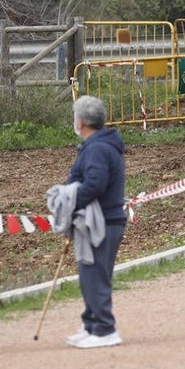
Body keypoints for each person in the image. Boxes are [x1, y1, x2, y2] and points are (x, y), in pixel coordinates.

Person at [64, 95, 127, 349]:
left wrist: (68, 201)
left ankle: (104, 329)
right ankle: (91, 323)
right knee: (90, 274)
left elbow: (94, 184)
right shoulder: (99, 145)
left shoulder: (98, 148)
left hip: (102, 220)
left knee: (95, 274)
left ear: (81, 122)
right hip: (100, 219)